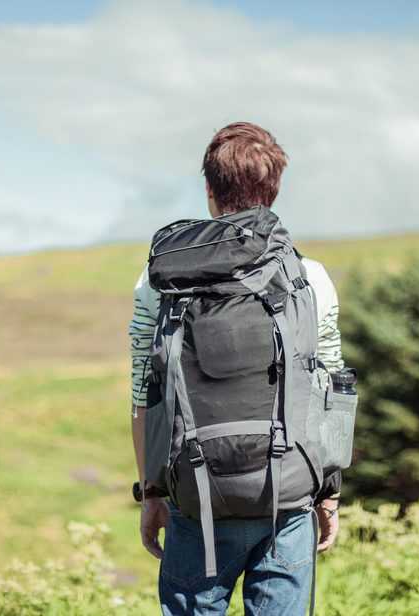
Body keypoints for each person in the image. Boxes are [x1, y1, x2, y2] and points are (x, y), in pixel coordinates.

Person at [129, 122, 344, 615]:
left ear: (209, 189)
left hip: (196, 496)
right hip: (288, 495)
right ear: (274, 190)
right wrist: (329, 494)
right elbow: (330, 386)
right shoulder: (310, 278)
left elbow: (144, 392)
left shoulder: (159, 278)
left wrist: (152, 491)